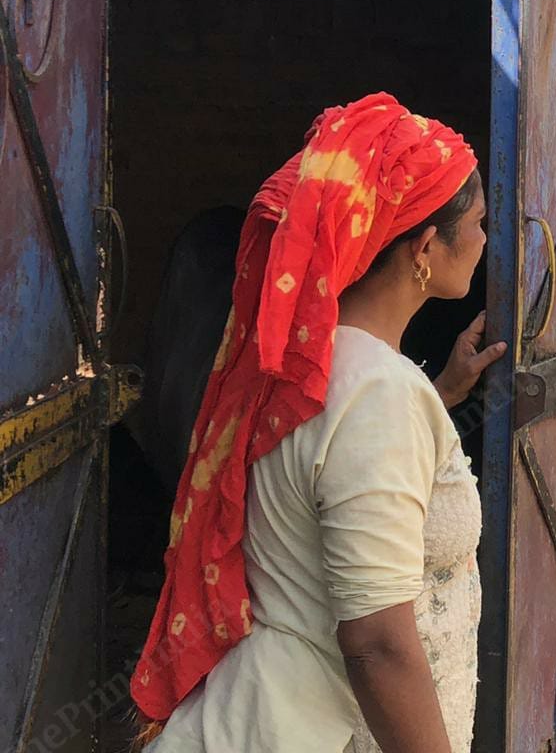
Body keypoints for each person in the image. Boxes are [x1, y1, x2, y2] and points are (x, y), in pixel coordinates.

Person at [131, 94, 504, 753]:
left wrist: (441, 392)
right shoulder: (380, 395)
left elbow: (336, 461)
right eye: (478, 222)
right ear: (425, 246)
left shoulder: (301, 360)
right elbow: (378, 643)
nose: (484, 239)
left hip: (257, 708)